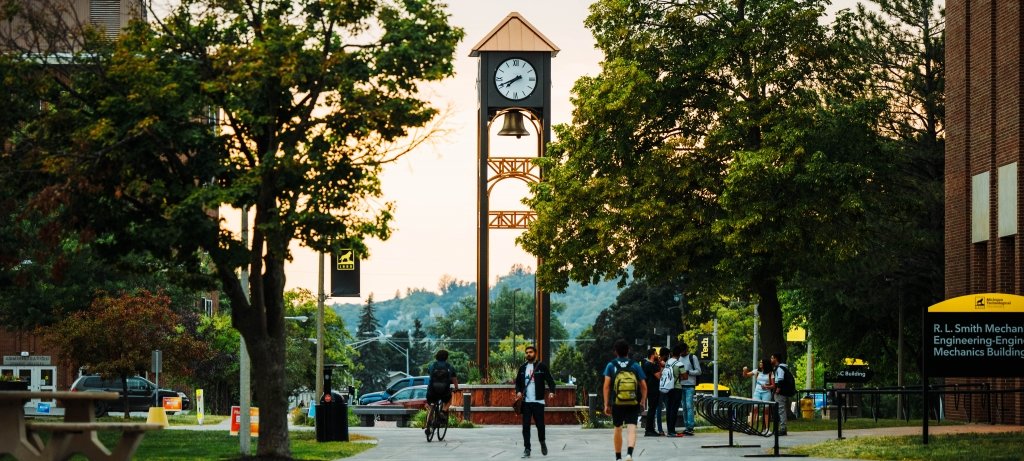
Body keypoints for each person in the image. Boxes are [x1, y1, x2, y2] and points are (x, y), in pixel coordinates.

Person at [603, 339, 647, 461]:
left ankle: (618, 457)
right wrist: (642, 400)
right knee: (632, 427)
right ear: (628, 350)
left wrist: (606, 403)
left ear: (615, 352)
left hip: (617, 402)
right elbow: (643, 386)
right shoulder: (635, 365)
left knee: (618, 428)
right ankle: (629, 454)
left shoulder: (611, 365)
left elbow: (606, 386)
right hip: (633, 402)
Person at [515, 345, 557, 458]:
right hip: (526, 402)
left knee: (540, 425)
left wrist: (552, 392)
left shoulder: (541, 366)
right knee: (525, 426)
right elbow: (517, 383)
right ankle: (527, 449)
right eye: (527, 352)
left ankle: (542, 442)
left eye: (531, 352)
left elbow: (550, 381)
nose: (528, 354)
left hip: (539, 402)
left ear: (535, 353)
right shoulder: (522, 368)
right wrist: (518, 392)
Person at [425, 349, 459, 435]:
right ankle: (443, 411)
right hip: (444, 390)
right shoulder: (449, 367)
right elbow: (454, 379)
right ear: (446, 358)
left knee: (430, 404)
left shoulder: (432, 365)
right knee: (448, 400)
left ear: (436, 357)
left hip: (432, 390)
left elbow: (429, 373)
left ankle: (428, 425)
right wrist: (456, 388)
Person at [677, 343, 701, 436]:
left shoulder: (693, 357)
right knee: (684, 407)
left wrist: (688, 372)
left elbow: (699, 371)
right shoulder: (678, 358)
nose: (682, 353)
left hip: (690, 385)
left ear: (686, 350)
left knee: (689, 405)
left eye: (683, 351)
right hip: (681, 385)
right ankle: (686, 426)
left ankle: (690, 427)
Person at [742, 357, 773, 427]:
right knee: (754, 408)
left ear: (766, 364)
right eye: (760, 362)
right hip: (757, 392)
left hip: (766, 392)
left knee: (766, 410)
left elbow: (773, 385)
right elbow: (746, 375)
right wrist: (744, 370)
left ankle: (766, 428)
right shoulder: (757, 371)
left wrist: (766, 386)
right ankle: (751, 427)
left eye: (762, 362)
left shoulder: (770, 373)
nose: (760, 363)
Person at [641, 347, 662, 437]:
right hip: (653, 389)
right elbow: (659, 376)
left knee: (652, 409)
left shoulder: (646, 364)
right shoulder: (651, 365)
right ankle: (649, 430)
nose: (657, 356)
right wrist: (660, 365)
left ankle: (649, 429)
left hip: (649, 389)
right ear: (653, 355)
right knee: (652, 409)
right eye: (656, 354)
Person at [766, 352, 789, 435]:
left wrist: (777, 391)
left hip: (780, 393)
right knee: (779, 410)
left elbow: (780, 381)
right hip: (778, 392)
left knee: (781, 409)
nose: (771, 359)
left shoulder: (780, 368)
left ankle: (783, 429)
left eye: (772, 358)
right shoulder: (777, 368)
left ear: (776, 359)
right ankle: (780, 428)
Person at [663, 344, 684, 437]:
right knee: (674, 409)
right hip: (677, 388)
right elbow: (685, 376)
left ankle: (669, 430)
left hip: (668, 388)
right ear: (679, 354)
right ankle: (672, 431)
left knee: (669, 409)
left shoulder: (668, 362)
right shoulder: (679, 364)